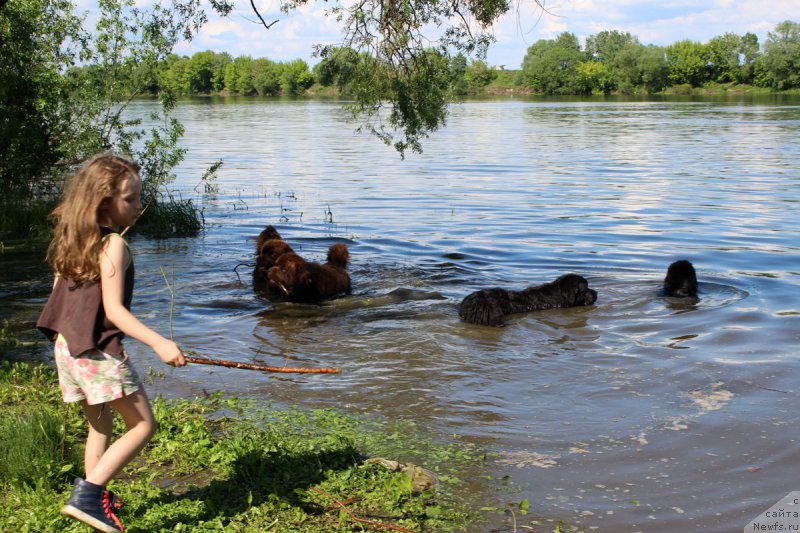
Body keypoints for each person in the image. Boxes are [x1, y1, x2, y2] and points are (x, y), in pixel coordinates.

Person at [36, 153, 186, 533]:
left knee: (100, 426)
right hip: (97, 354)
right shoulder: (113, 245)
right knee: (142, 426)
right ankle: (89, 496)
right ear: (105, 200)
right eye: (131, 199)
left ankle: (94, 501)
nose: (139, 206)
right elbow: (115, 312)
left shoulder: (70, 239)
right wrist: (160, 343)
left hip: (69, 349)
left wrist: (64, 351)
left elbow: (57, 298)